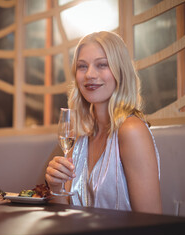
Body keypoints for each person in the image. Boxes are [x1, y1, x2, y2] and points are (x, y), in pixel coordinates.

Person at [45, 31, 162, 214]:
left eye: (102, 65)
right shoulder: (81, 135)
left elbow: (152, 222)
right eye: (82, 66)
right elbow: (66, 214)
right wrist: (57, 187)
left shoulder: (131, 130)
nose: (90, 74)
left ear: (120, 72)